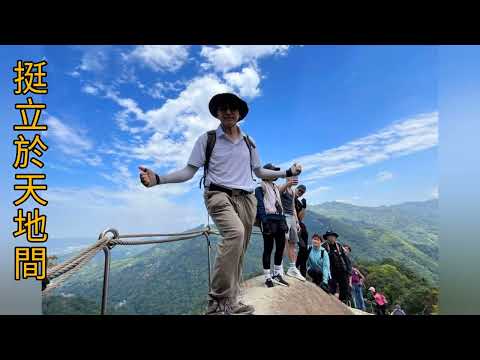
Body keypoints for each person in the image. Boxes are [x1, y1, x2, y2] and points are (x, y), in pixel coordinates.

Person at [138, 93, 303, 315]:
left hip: (246, 199)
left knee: (239, 249)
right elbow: (189, 171)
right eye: (223, 108)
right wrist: (159, 179)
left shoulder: (249, 142)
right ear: (217, 113)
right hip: (218, 195)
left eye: (232, 108)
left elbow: (259, 172)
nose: (228, 112)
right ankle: (217, 302)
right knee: (234, 234)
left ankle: (232, 300)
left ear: (240, 114)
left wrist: (287, 173)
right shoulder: (207, 139)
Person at [255, 164, 289, 288]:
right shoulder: (260, 188)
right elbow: (260, 206)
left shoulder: (275, 187)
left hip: (279, 218)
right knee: (268, 249)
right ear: (266, 173)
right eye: (273, 172)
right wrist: (264, 222)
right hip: (269, 219)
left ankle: (277, 274)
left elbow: (278, 203)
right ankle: (267, 277)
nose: (275, 175)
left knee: (280, 248)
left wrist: (284, 220)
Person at [278, 177, 306, 281]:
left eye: (294, 178)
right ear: (286, 177)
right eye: (290, 177)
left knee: (293, 243)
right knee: (282, 242)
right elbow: (279, 191)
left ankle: (292, 268)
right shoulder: (282, 187)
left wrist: (297, 222)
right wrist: (288, 183)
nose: (293, 179)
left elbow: (293, 206)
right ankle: (279, 267)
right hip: (283, 216)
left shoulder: (293, 192)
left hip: (292, 218)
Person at [322, 230, 352, 304]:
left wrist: (348, 270)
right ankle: (333, 302)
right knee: (332, 286)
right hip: (331, 270)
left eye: (333, 236)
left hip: (341, 269)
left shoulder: (338, 245)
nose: (332, 238)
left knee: (344, 286)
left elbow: (345, 258)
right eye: (330, 236)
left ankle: (344, 302)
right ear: (327, 238)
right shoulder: (324, 246)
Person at [294, 185, 309, 277]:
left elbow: (301, 217)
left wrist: (303, 207)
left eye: (302, 192)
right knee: (303, 247)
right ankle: (296, 267)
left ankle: (301, 269)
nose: (300, 192)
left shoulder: (298, 203)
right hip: (293, 224)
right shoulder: (290, 198)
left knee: (304, 249)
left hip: (299, 224)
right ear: (296, 189)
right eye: (299, 190)